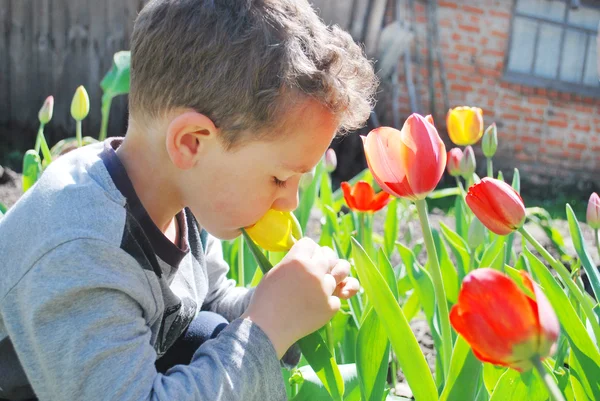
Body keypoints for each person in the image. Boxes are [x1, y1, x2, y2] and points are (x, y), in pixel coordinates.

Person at [0, 0, 377, 400]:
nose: (289, 203)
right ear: (191, 143)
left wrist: (282, 300)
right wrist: (269, 327)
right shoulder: (82, 252)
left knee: (208, 331)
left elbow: (206, 301)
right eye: (279, 178)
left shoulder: (180, 192)